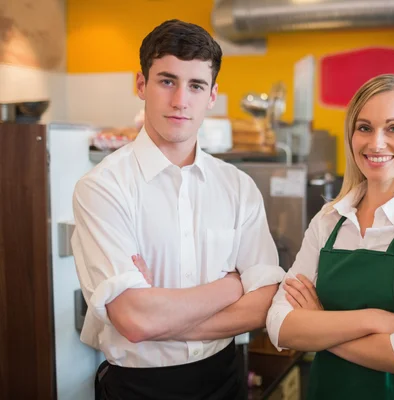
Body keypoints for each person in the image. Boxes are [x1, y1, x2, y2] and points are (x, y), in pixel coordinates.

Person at [72, 19, 285, 400]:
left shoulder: (238, 188)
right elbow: (135, 319)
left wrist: (161, 318)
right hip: (137, 388)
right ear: (141, 84)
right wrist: (233, 284)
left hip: (225, 379)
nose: (180, 100)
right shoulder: (102, 188)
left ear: (212, 95)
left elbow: (267, 301)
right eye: (167, 81)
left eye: (196, 85)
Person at [266, 74, 394, 399]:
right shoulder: (328, 219)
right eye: (364, 128)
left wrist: (320, 325)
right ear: (351, 136)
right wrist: (375, 319)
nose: (376, 143)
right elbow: (279, 325)